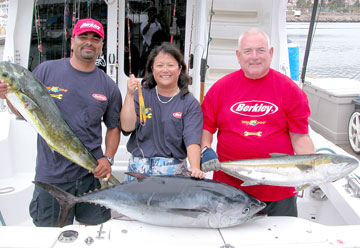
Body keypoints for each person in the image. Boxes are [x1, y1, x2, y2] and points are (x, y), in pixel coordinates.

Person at [0, 18, 122, 227]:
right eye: (83, 37)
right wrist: (8, 97)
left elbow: (114, 127)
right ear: (72, 40)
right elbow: (24, 112)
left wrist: (108, 159)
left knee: (94, 233)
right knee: (49, 235)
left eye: (95, 39)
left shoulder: (108, 86)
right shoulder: (46, 70)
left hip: (91, 177)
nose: (89, 42)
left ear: (101, 46)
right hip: (52, 176)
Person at [200, 27, 315, 216]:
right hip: (230, 189)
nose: (254, 56)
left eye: (261, 50)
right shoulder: (220, 88)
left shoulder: (290, 90)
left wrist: (317, 170)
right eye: (248, 51)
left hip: (279, 189)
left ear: (271, 53)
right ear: (238, 55)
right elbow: (206, 127)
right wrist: (206, 149)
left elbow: (300, 138)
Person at [121, 42, 205, 180]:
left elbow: (192, 140)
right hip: (138, 172)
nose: (165, 70)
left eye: (170, 65)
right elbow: (127, 126)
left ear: (179, 69)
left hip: (172, 176)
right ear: (152, 69)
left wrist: (195, 167)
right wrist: (129, 95)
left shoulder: (189, 103)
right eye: (160, 65)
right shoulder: (141, 95)